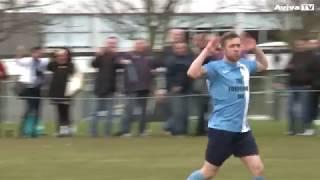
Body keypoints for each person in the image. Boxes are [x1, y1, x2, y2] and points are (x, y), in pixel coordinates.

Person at [186, 32, 268, 180]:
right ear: (224, 49)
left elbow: (264, 65)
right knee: (208, 173)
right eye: (232, 46)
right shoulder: (215, 68)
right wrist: (206, 51)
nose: (236, 49)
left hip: (242, 130)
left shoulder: (245, 64)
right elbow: (192, 72)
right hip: (222, 130)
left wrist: (256, 49)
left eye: (238, 45)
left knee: (258, 169)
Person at [117, 38, 155, 137]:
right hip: (131, 88)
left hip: (145, 88)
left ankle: (142, 131)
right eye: (138, 44)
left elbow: (155, 67)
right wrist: (122, 61)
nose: (140, 46)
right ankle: (126, 131)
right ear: (134, 45)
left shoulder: (148, 57)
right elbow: (118, 59)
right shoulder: (128, 55)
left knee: (143, 112)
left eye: (142, 44)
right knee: (129, 110)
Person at [90, 36, 122, 137]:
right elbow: (94, 64)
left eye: (114, 43)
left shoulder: (116, 57)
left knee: (110, 113)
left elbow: (120, 65)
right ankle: (93, 133)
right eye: (110, 43)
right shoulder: (101, 55)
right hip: (99, 88)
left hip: (111, 88)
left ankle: (107, 133)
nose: (112, 45)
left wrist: (117, 57)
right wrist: (98, 55)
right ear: (106, 44)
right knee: (95, 112)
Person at [16, 46, 48, 137]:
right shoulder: (28, 61)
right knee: (30, 109)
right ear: (33, 53)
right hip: (29, 87)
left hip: (38, 88)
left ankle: (34, 131)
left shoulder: (43, 62)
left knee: (37, 110)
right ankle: (23, 130)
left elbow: (50, 64)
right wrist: (19, 52)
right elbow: (18, 61)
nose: (39, 54)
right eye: (37, 52)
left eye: (40, 53)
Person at [47, 48, 75, 137]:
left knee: (65, 112)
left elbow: (72, 73)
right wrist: (54, 56)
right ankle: (60, 131)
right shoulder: (54, 65)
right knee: (59, 112)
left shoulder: (70, 65)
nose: (62, 57)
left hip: (66, 92)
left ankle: (67, 131)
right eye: (60, 55)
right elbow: (49, 66)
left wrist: (64, 63)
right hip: (57, 92)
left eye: (64, 55)